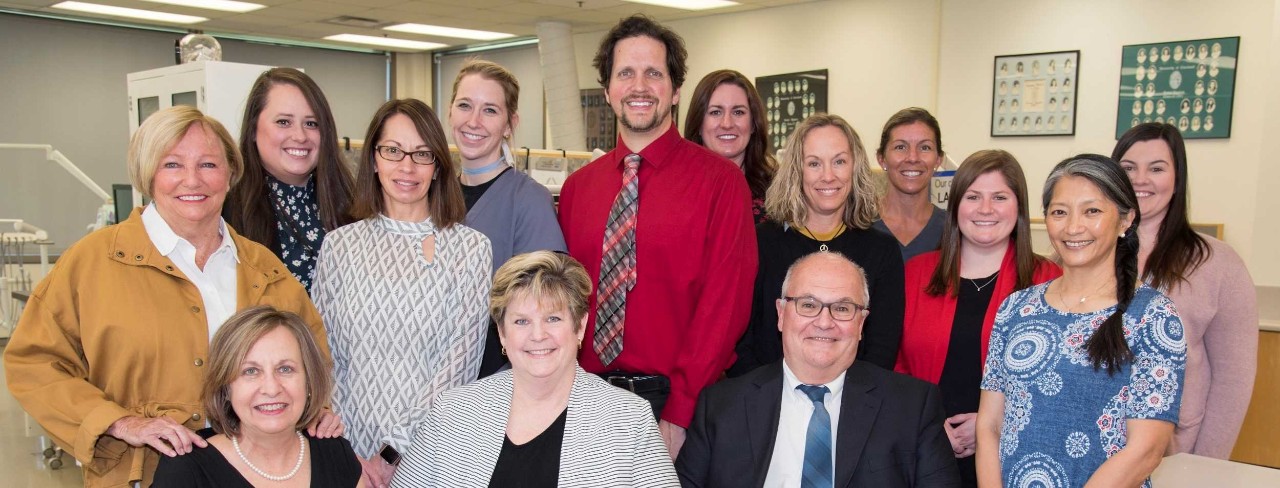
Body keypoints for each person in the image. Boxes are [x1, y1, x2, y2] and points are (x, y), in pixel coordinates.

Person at [3, 106, 337, 488]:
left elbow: (312, 360)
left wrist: (318, 410)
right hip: (140, 473)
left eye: (209, 165)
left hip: (250, 474)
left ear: (231, 173)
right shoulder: (91, 263)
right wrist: (117, 422)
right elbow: (34, 364)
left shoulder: (265, 269)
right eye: (173, 165)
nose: (192, 180)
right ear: (149, 175)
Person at [557, 14, 757, 459]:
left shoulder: (721, 183)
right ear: (608, 90)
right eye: (625, 73)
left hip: (676, 406)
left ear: (676, 90)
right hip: (587, 401)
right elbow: (566, 304)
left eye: (654, 73)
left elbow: (724, 308)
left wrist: (680, 413)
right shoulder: (577, 190)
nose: (640, 85)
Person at [977, 154, 1186, 488]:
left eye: (1092, 211)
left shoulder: (1153, 316)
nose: (1073, 227)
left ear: (1125, 220)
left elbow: (1146, 449)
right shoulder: (1016, 308)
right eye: (1060, 212)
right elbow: (989, 426)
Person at [313, 99, 492, 487]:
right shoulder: (339, 246)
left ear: (438, 165)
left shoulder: (470, 249)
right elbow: (322, 357)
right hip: (344, 451)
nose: (406, 166)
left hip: (429, 453)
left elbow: (456, 371)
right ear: (374, 160)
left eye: (422, 154)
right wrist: (348, 452)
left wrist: (392, 452)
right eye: (392, 151)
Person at [391, 251, 679, 487]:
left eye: (553, 318)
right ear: (502, 333)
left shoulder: (628, 419)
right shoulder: (452, 411)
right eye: (521, 321)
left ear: (579, 326)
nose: (538, 335)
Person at [677, 252, 959, 488]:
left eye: (843, 308)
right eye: (808, 305)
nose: (825, 322)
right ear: (781, 314)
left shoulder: (912, 407)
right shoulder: (720, 407)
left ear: (861, 324)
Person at [894, 150, 1060, 488]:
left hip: (1012, 456)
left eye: (999, 197)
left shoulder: (1049, 280)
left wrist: (993, 422)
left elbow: (1057, 384)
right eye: (973, 197)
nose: (986, 209)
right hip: (922, 451)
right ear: (955, 207)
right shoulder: (915, 274)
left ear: (1019, 207)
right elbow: (893, 366)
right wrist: (927, 423)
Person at [1112, 123, 1257, 458]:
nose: (1140, 179)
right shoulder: (1082, 252)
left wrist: (1205, 465)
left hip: (1173, 456)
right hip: (1086, 448)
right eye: (1128, 168)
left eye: (1157, 168)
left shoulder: (1217, 263)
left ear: (1177, 180)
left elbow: (1232, 383)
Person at [731, 113, 903, 376]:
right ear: (796, 171)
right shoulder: (759, 243)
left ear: (855, 167)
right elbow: (741, 341)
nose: (828, 176)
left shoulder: (882, 251)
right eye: (814, 163)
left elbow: (881, 350)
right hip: (766, 403)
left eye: (839, 162)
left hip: (853, 406)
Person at [153, 306, 364, 487]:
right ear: (225, 387)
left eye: (285, 369)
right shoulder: (186, 469)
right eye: (250, 371)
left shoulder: (336, 454)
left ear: (309, 380)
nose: (271, 389)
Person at [448, 59, 566, 377]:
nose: (474, 121)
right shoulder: (431, 196)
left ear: (510, 123)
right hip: (431, 380)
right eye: (464, 105)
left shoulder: (528, 200)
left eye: (490, 110)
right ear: (449, 112)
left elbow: (543, 308)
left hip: (496, 380)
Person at [225, 67, 356, 292]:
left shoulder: (353, 205)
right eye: (284, 122)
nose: (300, 136)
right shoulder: (226, 214)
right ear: (254, 130)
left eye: (311, 123)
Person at [684, 69, 779, 224]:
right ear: (699, 124)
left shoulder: (778, 191)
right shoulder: (678, 189)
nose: (727, 124)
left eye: (738, 112)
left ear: (754, 124)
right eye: (715, 112)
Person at [873, 108, 948, 262]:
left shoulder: (952, 230)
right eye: (900, 147)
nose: (913, 158)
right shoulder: (858, 224)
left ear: (938, 159)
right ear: (882, 159)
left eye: (925, 147)